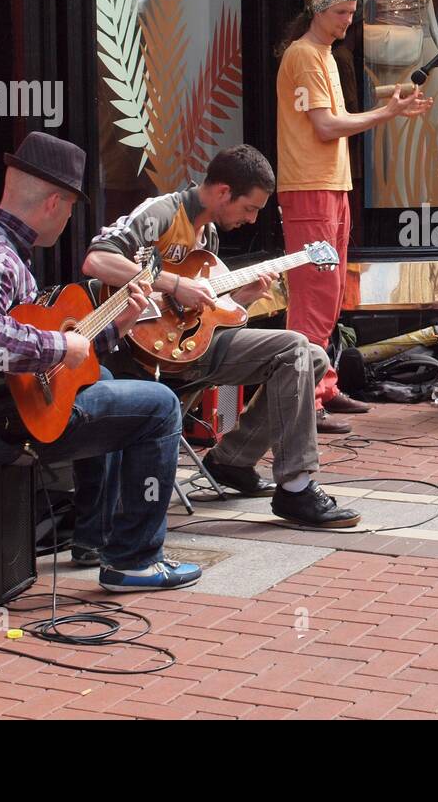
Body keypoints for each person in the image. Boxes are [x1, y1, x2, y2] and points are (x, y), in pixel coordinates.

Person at [0, 132, 202, 592]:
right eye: (70, 208)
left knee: (99, 380)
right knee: (160, 406)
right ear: (52, 203)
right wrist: (61, 347)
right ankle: (135, 561)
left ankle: (93, 537)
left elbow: (55, 361)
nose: (69, 219)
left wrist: (118, 323)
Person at [82, 145, 363, 529]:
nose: (251, 220)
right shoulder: (162, 212)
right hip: (142, 351)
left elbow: (200, 313)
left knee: (312, 355)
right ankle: (296, 489)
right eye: (249, 208)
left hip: (189, 348)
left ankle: (233, 460)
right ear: (223, 192)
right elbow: (96, 261)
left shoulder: (209, 235)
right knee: (294, 346)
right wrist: (174, 282)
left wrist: (239, 299)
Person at [275, 0, 432, 433]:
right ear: (319, 10)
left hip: (328, 184)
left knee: (328, 291)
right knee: (314, 294)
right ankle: (307, 399)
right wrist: (388, 112)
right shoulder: (304, 55)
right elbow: (326, 126)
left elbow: (335, 118)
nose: (348, 21)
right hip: (310, 186)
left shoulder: (320, 54)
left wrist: (390, 101)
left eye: (350, 12)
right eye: (342, 12)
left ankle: (322, 386)